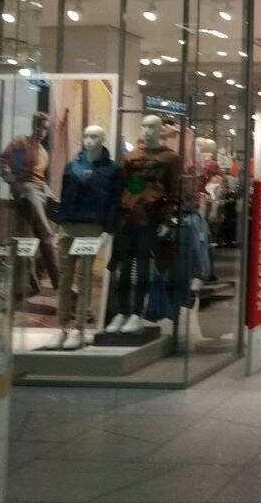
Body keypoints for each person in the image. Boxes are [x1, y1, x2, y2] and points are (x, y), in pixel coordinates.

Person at [48, 125, 122, 350]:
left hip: (91, 228)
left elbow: (114, 202)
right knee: (63, 279)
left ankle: (79, 329)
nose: (89, 140)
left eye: (94, 137)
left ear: (103, 139)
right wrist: (58, 226)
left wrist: (108, 230)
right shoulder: (72, 166)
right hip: (68, 226)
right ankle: (61, 328)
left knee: (84, 279)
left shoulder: (112, 170)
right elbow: (65, 197)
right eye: (87, 136)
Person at [106, 114, 180, 334]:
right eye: (144, 127)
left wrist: (167, 219)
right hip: (128, 215)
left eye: (152, 127)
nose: (147, 131)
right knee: (123, 266)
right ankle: (122, 312)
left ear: (161, 131)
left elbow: (174, 191)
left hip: (150, 216)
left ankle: (137, 313)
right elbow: (122, 187)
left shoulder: (170, 158)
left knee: (142, 265)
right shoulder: (131, 156)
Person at [0, 111, 60, 291]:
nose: (42, 131)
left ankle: (38, 280)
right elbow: (4, 162)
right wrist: (15, 183)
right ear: (33, 126)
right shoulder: (20, 141)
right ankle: (60, 284)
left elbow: (40, 177)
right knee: (45, 233)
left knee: (65, 213)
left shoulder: (43, 152)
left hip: (42, 187)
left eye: (45, 128)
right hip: (27, 187)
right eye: (39, 127)